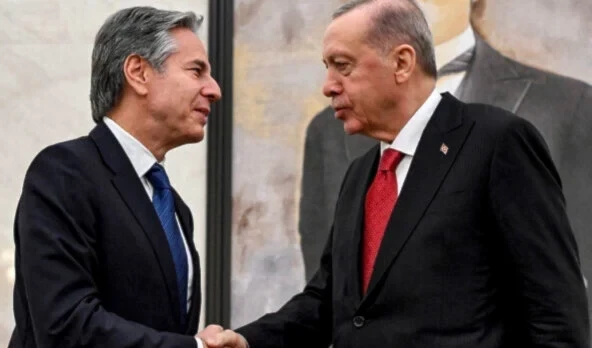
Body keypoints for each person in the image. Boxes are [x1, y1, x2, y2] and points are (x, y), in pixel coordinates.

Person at [206, 0, 589, 346]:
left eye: (343, 66)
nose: (327, 86)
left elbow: (555, 314)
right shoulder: (360, 174)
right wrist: (247, 341)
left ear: (402, 63)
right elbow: (327, 300)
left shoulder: (497, 142)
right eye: (327, 69)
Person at [9, 6, 221, 348]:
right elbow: (65, 324)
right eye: (197, 71)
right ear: (138, 72)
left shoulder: (176, 210)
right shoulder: (63, 173)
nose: (214, 89)